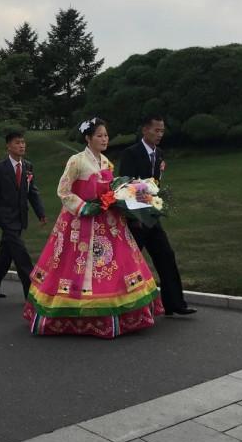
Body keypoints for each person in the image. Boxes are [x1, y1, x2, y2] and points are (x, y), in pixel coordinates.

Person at [24, 118, 164, 338]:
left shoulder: (106, 162)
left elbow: (110, 187)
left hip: (106, 221)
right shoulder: (76, 161)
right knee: (73, 267)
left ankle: (116, 313)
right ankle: (72, 314)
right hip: (79, 223)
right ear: (88, 138)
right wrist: (83, 207)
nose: (104, 139)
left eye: (106, 135)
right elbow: (63, 191)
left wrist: (130, 194)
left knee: (114, 266)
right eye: (99, 135)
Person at [119, 114, 196, 317]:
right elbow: (126, 185)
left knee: (166, 256)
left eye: (162, 130)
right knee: (129, 262)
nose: (160, 134)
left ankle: (175, 304)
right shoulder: (131, 153)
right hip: (135, 220)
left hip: (152, 218)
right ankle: (118, 304)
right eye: (156, 130)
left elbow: (155, 184)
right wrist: (136, 216)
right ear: (145, 130)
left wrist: (156, 203)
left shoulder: (159, 153)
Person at [0, 131, 47, 298]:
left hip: (20, 217)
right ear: (8, 146)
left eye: (23, 142)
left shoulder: (28, 166)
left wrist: (40, 213)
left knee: (4, 255)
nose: (22, 145)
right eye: (18, 143)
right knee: (21, 255)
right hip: (5, 218)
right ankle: (32, 292)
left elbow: (33, 192)